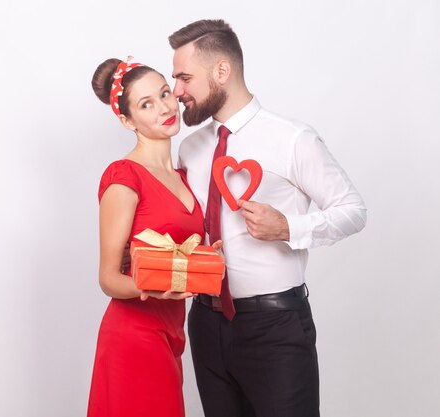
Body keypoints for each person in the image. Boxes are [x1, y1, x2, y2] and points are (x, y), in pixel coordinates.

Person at [168, 19, 367, 417]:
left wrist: (289, 227)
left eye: (185, 78)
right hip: (205, 325)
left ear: (221, 71)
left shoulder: (293, 139)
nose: (177, 92)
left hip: (275, 329)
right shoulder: (189, 149)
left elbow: (353, 211)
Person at [87, 56, 219, 417]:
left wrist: (210, 258)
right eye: (147, 104)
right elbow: (108, 278)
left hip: (173, 332)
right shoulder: (124, 176)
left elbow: (182, 253)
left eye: (164, 94)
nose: (164, 108)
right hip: (134, 335)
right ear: (127, 120)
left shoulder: (184, 175)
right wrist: (152, 287)